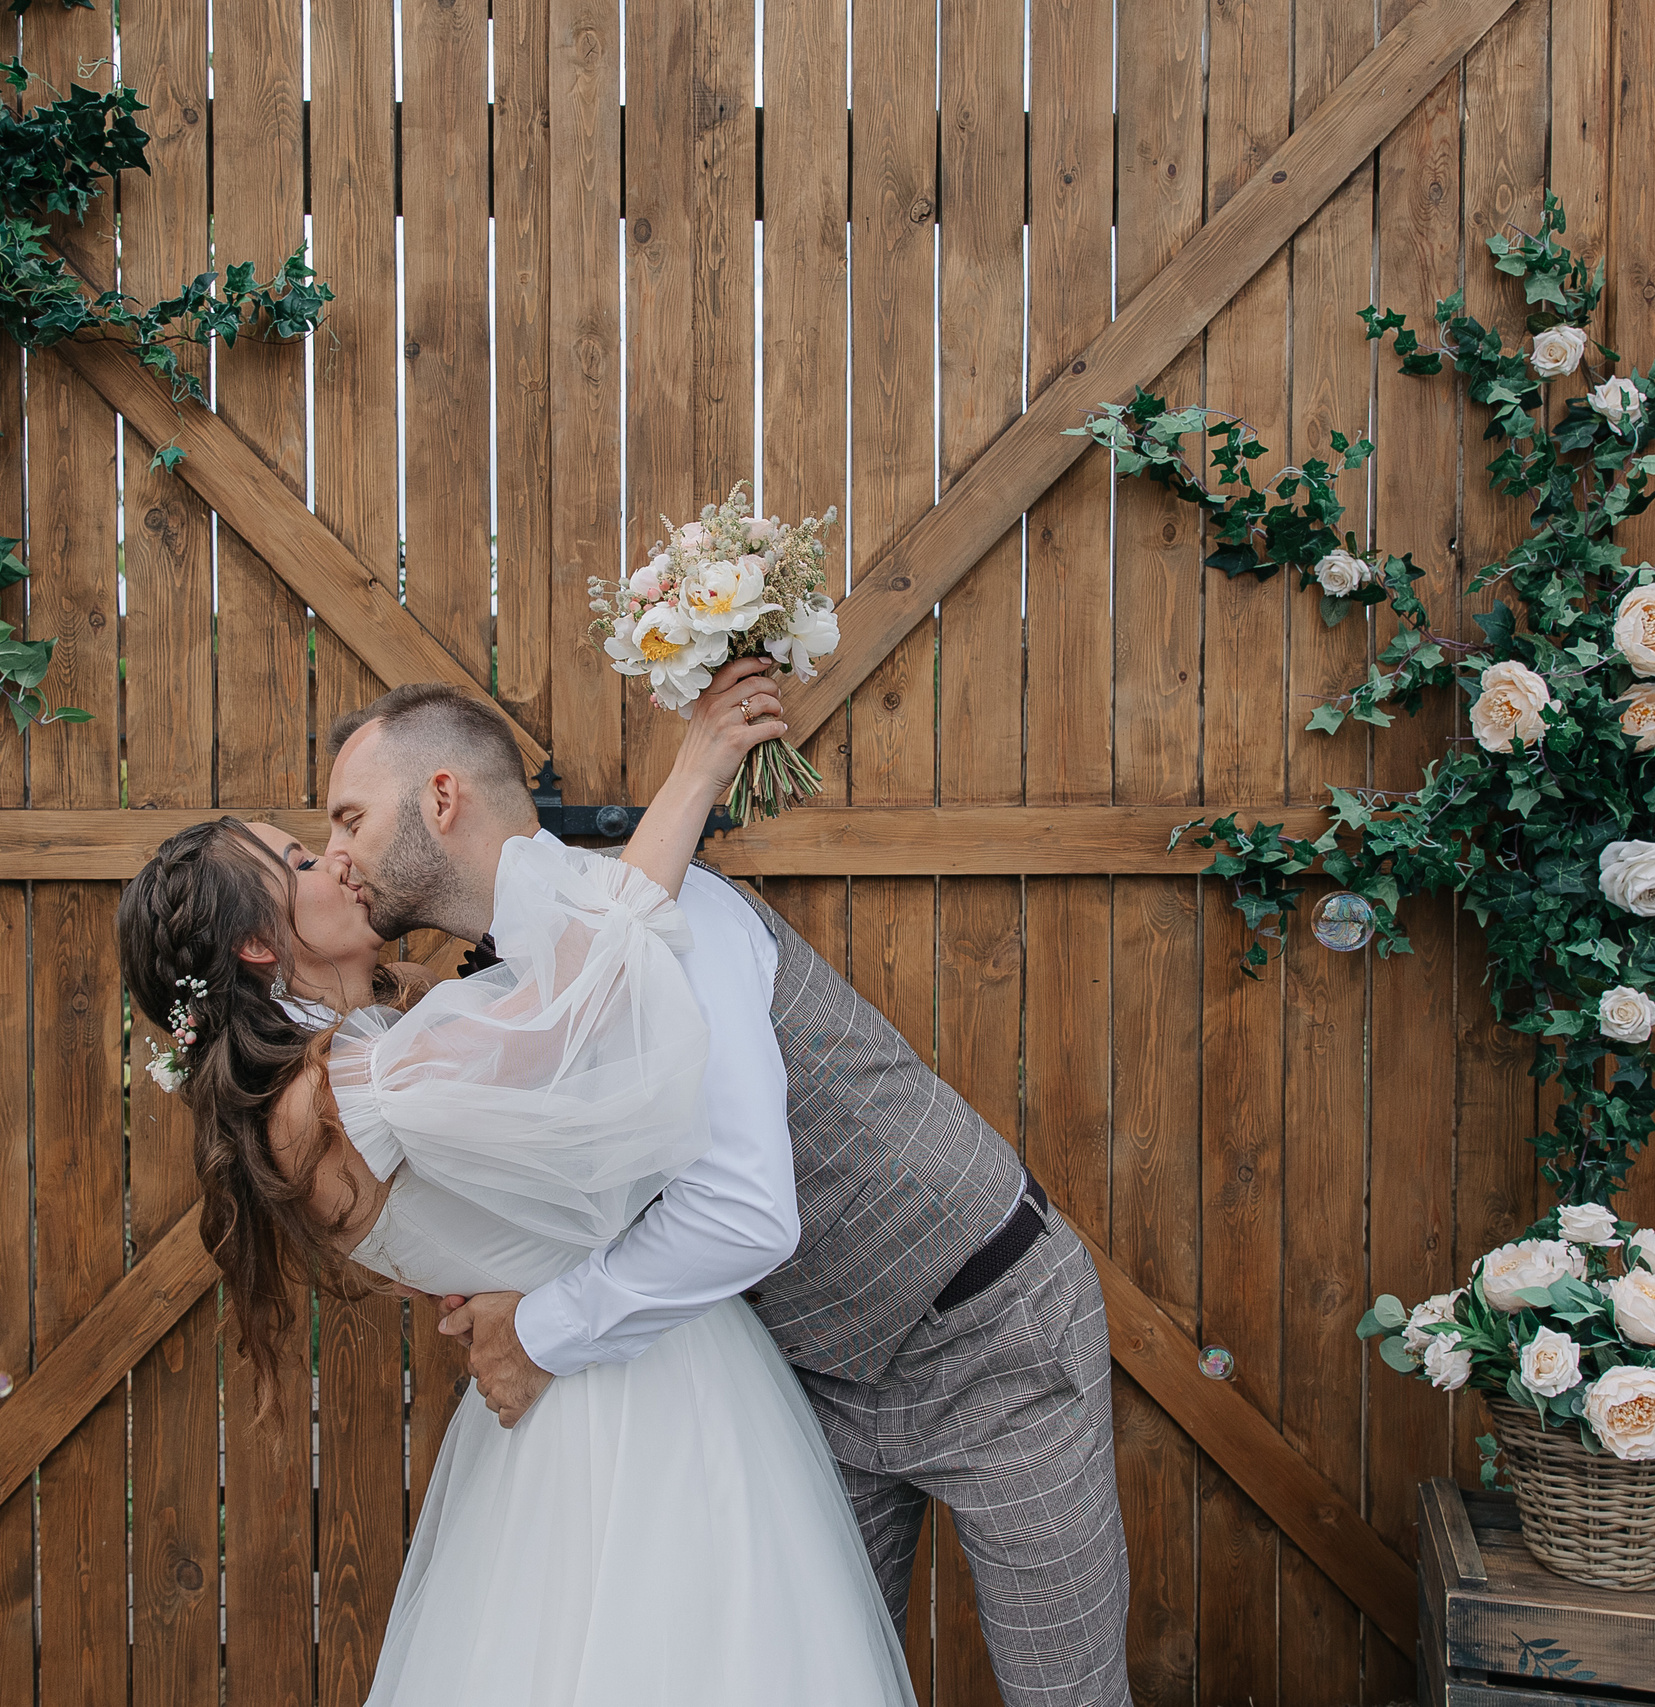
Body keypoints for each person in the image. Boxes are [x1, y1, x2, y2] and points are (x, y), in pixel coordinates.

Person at [324, 658, 1134, 1707]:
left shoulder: (673, 913)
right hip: (803, 1382)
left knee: (1066, 1698)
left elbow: (744, 1211)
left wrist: (538, 1328)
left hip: (986, 1331)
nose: (334, 854)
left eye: (349, 818)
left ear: (440, 798)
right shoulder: (500, 998)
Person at [116, 673, 916, 1707]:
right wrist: (694, 774)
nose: (341, 860)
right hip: (643, 1402)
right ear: (260, 943)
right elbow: (594, 994)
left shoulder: (332, 1087)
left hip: (544, 1416)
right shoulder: (373, 1086)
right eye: (306, 858)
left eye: (335, 832)